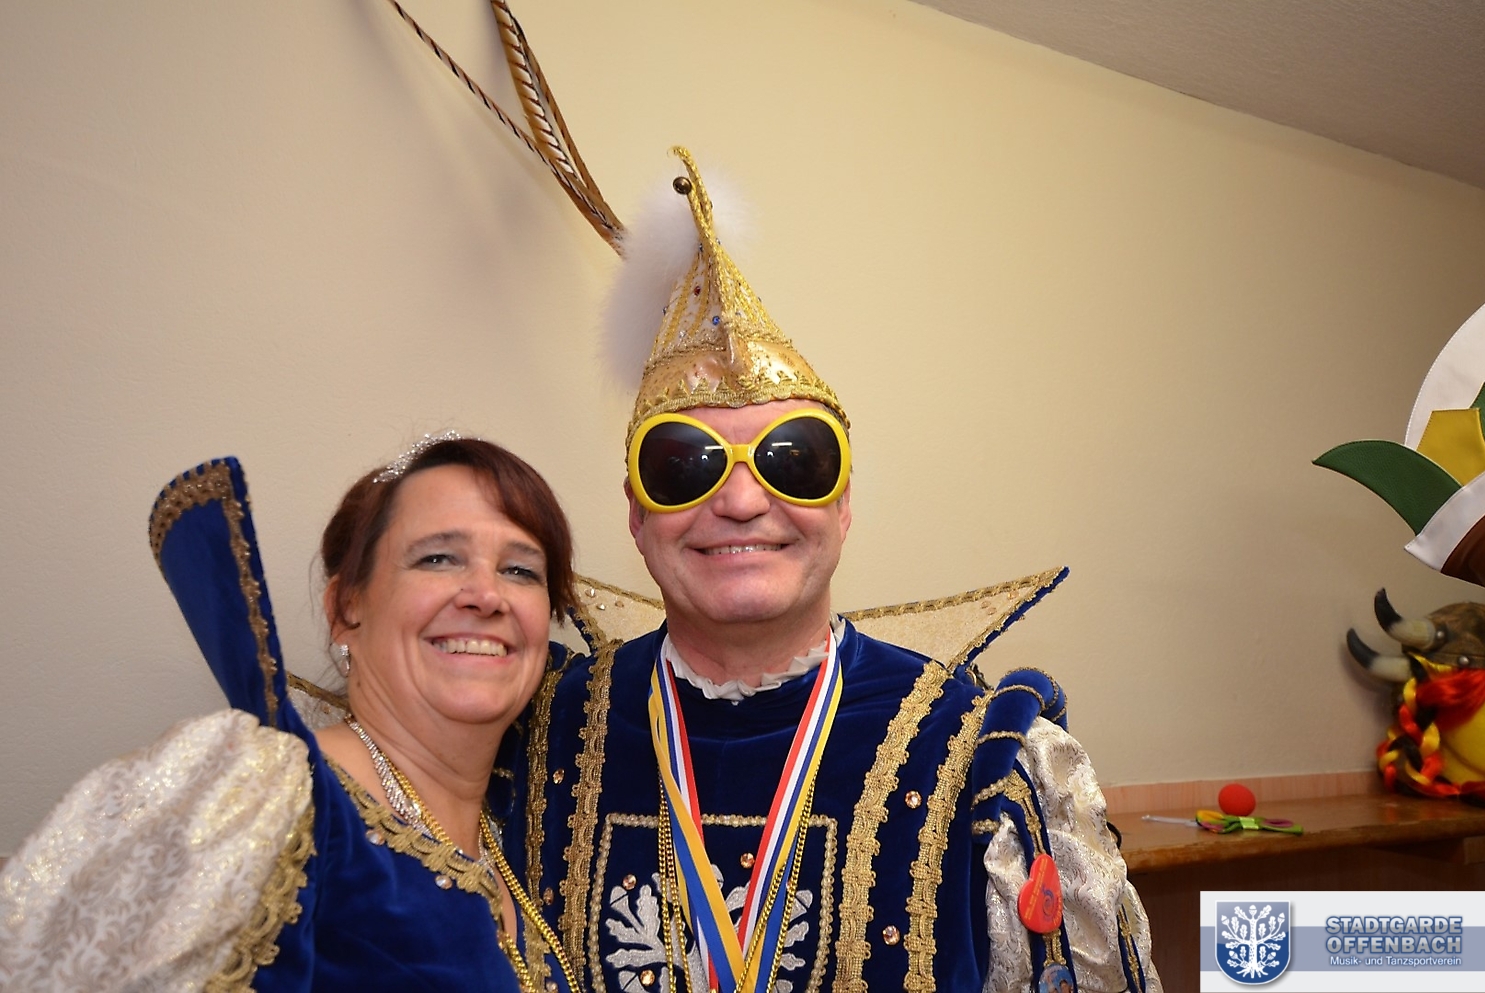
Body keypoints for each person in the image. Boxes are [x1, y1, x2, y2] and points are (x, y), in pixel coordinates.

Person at [505, 150, 1160, 993]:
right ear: (637, 515)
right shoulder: (533, 737)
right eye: (684, 466)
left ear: (842, 506)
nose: (742, 501)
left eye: (795, 459)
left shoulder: (984, 761)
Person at [0, 434, 581, 993]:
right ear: (346, 609)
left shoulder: (514, 855)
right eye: (438, 558)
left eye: (521, 570)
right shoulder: (265, 794)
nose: (487, 595)